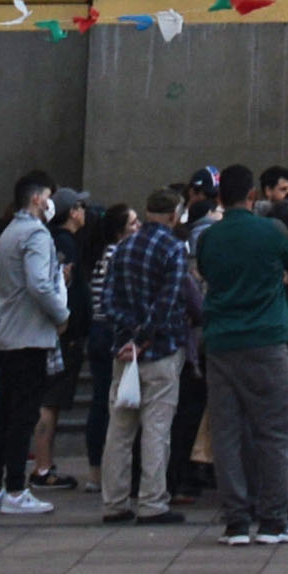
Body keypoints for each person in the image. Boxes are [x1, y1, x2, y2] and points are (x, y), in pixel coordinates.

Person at [197, 163, 288, 546]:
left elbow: (206, 274)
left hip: (221, 342)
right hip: (267, 339)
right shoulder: (272, 231)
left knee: (226, 435)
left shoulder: (208, 238)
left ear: (219, 197)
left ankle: (236, 522)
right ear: (252, 195)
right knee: (274, 432)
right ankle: (273, 520)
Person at [91, 195, 195, 515]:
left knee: (119, 431)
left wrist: (130, 335)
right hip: (161, 350)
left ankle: (114, 502)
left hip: (124, 354)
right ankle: (152, 501)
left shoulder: (122, 248)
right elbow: (168, 301)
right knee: (156, 430)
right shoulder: (174, 249)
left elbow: (107, 302)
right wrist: (144, 337)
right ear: (174, 215)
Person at [0, 174, 72, 511]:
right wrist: (61, 314)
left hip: (8, 332)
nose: (50, 202)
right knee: (23, 413)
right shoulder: (36, 234)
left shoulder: (10, 232)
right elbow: (39, 284)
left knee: (5, 412)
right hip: (28, 335)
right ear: (36, 199)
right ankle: (16, 489)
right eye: (48, 196)